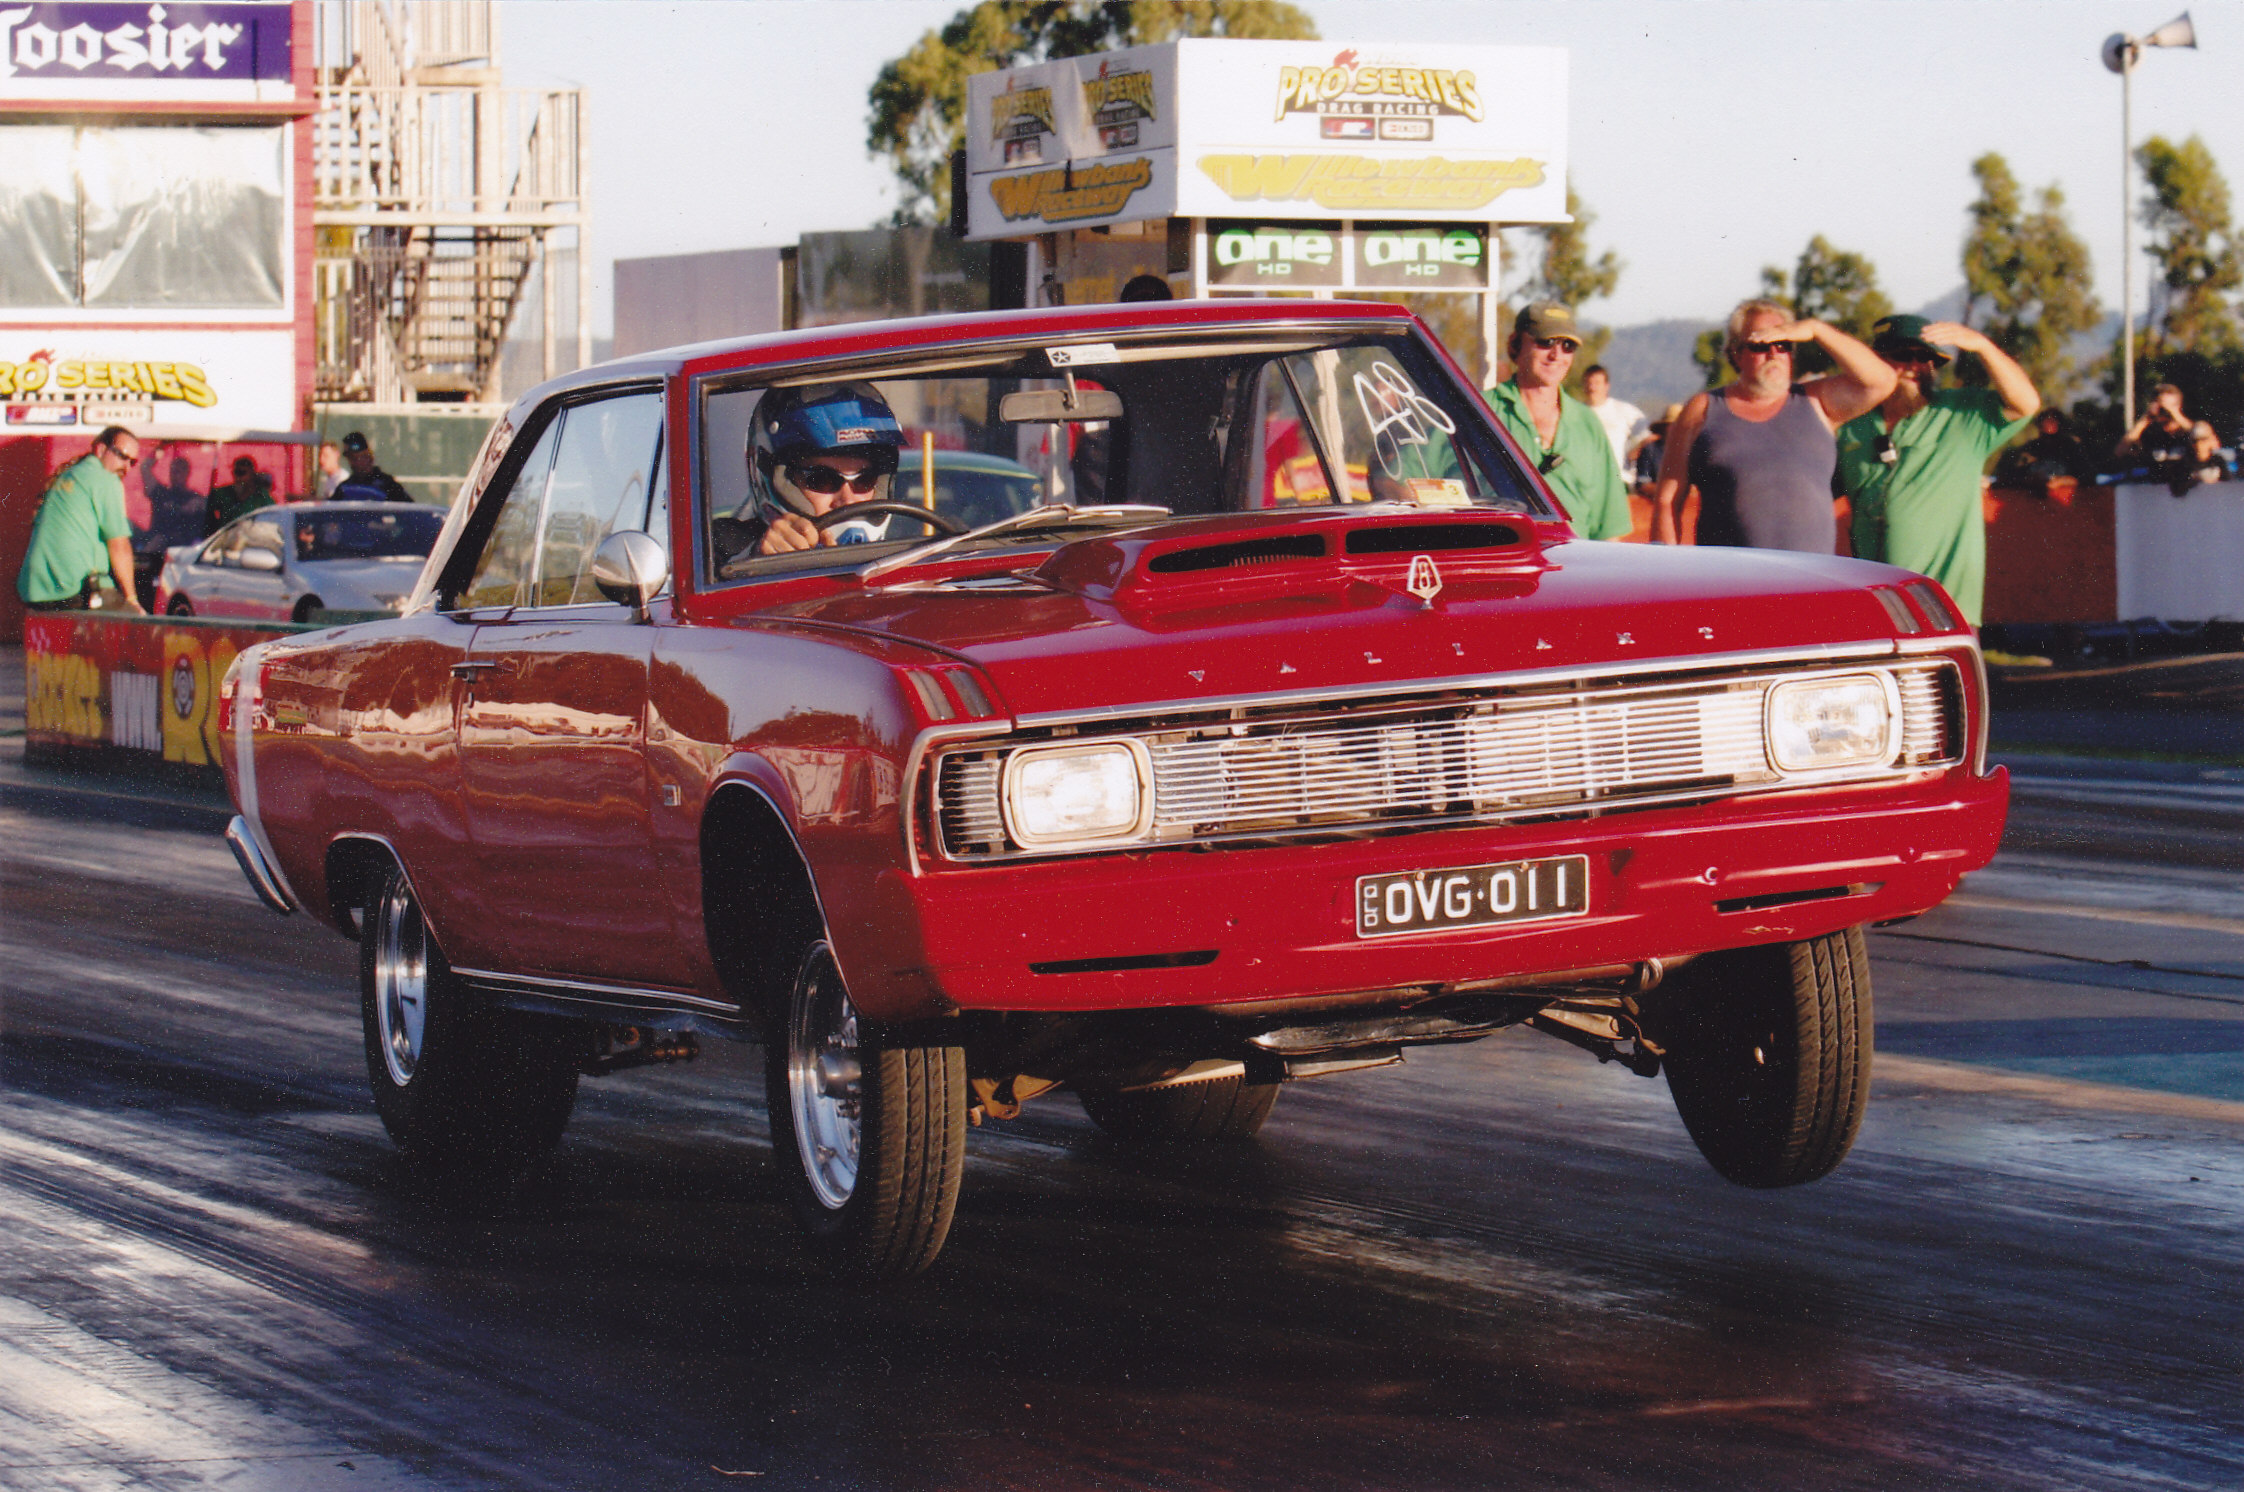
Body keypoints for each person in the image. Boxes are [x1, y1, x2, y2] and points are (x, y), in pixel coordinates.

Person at [1834, 316, 2039, 627]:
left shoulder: (1963, 414)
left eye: (1926, 358)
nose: (1916, 366)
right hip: (1873, 606)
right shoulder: (1852, 424)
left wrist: (1983, 346)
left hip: (1944, 607)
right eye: (1904, 356)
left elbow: (2026, 403)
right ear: (1876, 362)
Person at [1652, 298, 1895, 551]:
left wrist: (1816, 329)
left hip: (1811, 581)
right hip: (1729, 580)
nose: (1773, 354)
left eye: (1783, 345)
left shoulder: (1817, 402)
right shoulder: (1703, 409)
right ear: (1735, 353)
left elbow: (1883, 381)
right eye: (1760, 346)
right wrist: (1663, 568)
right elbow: (1668, 499)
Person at [1483, 301, 1632, 541]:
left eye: (1568, 345)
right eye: (1546, 342)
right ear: (1515, 344)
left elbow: (1609, 528)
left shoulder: (1587, 424)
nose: (1556, 355)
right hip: (1503, 566)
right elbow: (1411, 478)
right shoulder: (1480, 411)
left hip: (1574, 571)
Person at [725, 383, 904, 559]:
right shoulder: (726, 543)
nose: (848, 500)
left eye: (865, 479)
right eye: (822, 480)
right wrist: (758, 561)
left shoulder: (913, 543)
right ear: (772, 479)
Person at [16, 426, 147, 615]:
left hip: (36, 590)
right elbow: (119, 545)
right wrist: (132, 599)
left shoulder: (67, 476)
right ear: (101, 450)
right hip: (76, 588)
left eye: (132, 462)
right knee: (137, 629)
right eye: (122, 456)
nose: (126, 467)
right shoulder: (105, 479)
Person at [2115, 383, 2222, 495]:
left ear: (2178, 406)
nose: (2163, 410)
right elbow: (2119, 452)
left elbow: (2214, 446)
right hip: (2158, 493)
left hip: (2190, 492)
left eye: (2167, 406)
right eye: (2159, 405)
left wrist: (2176, 415)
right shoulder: (2149, 432)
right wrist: (2144, 420)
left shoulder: (2191, 431)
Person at [1581, 364, 1645, 477]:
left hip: (1618, 478)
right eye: (1588, 382)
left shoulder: (1623, 410)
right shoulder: (1576, 413)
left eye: (1597, 383)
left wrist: (1633, 453)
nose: (1592, 387)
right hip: (1585, 478)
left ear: (1606, 386)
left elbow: (1648, 436)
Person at [332, 431, 413, 504]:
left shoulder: (387, 485)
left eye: (358, 458)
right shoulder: (345, 487)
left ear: (369, 457)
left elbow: (409, 510)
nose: (354, 463)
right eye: (351, 458)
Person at [204, 455, 276, 535]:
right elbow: (205, 510)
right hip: (225, 539)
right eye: (236, 472)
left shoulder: (262, 496)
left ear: (252, 474)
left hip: (251, 540)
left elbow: (273, 517)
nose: (238, 476)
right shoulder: (222, 493)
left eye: (242, 472)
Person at [1634, 403, 1682, 500]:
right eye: (1672, 425)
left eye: (1681, 426)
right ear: (1664, 428)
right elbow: (1642, 484)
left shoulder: (1696, 450)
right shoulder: (1650, 450)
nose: (1677, 429)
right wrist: (1668, 491)